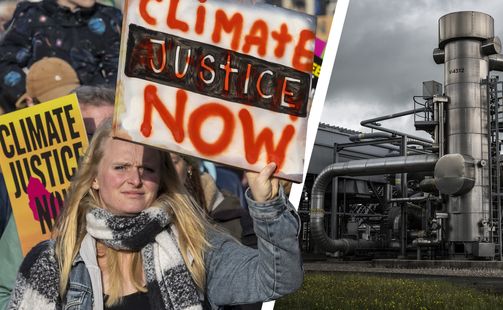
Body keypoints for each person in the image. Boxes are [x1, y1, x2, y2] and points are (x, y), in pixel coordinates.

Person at [7, 119, 303, 309]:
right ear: (94, 177)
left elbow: (279, 279)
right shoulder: (51, 262)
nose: (135, 180)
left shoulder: (195, 246)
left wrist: (267, 204)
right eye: (120, 167)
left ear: (161, 178)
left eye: (147, 169)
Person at [0, 85, 115, 309]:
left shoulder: (138, 201)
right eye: (88, 134)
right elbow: (4, 291)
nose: (96, 145)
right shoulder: (34, 210)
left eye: (109, 133)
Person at [0, 0, 122, 112]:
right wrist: (29, 96)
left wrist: (94, 104)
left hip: (95, 115)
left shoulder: (108, 18)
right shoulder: (32, 16)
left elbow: (119, 69)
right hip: (45, 112)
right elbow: (5, 61)